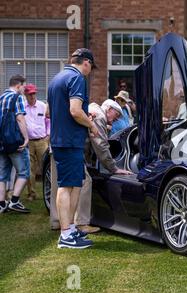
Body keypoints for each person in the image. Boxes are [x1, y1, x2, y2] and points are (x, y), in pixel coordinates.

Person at [49, 100, 132, 233]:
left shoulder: (91, 107)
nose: (115, 120)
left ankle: (56, 221)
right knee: (85, 181)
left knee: (58, 184)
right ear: (109, 109)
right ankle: (81, 223)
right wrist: (114, 168)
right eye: (116, 115)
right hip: (71, 149)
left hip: (55, 145)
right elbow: (101, 145)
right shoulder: (99, 116)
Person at [47, 48, 99, 249]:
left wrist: (84, 118)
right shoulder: (77, 78)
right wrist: (91, 124)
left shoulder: (56, 79)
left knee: (73, 184)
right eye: (91, 67)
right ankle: (66, 235)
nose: (90, 71)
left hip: (61, 139)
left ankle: (70, 230)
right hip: (70, 141)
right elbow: (75, 111)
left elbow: (49, 112)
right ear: (85, 62)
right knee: (67, 186)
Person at [0, 75, 31, 214]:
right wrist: (26, 138)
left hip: (1, 143)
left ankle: (1, 204)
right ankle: (14, 201)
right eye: (24, 86)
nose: (24, 89)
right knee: (24, 172)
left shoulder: (1, 97)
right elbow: (20, 118)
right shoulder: (17, 97)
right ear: (18, 85)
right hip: (14, 142)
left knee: (2, 175)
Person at [23, 84, 50, 201]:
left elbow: (49, 121)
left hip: (42, 141)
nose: (32, 96)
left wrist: (48, 135)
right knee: (30, 168)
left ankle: (49, 191)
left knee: (46, 167)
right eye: (30, 94)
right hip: (28, 142)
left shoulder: (42, 106)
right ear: (25, 95)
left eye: (34, 93)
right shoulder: (22, 107)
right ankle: (31, 193)